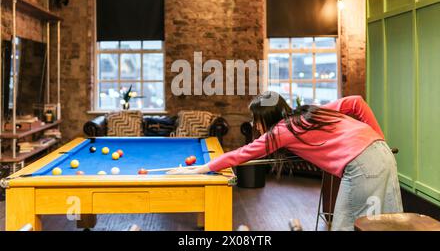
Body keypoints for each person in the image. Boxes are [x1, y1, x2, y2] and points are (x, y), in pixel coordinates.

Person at [167, 91, 403, 230]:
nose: (254, 123)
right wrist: (378, 139)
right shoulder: (308, 112)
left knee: (345, 227)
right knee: (388, 222)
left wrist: (202, 169)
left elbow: (242, 154)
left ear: (265, 116)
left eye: (255, 117)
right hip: (381, 154)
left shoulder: (281, 131)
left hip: (362, 165)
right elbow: (356, 103)